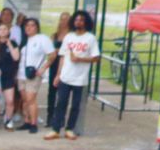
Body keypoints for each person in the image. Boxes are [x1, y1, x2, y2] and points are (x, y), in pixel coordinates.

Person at [48, 10, 99, 140]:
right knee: (61, 103)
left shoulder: (90, 38)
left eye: (81, 20)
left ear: (86, 22)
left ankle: (70, 129)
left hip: (80, 78)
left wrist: (81, 59)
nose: (78, 22)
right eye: (76, 20)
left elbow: (96, 58)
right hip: (65, 76)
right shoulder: (69, 37)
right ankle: (55, 129)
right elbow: (62, 57)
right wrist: (58, 75)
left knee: (75, 105)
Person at [18, 17, 54, 133]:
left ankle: (34, 123)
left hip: (34, 73)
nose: (29, 28)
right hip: (21, 73)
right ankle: (27, 121)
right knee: (24, 99)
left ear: (37, 27)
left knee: (31, 99)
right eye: (27, 25)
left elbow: (52, 54)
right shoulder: (23, 40)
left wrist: (43, 68)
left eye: (32, 25)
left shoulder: (42, 39)